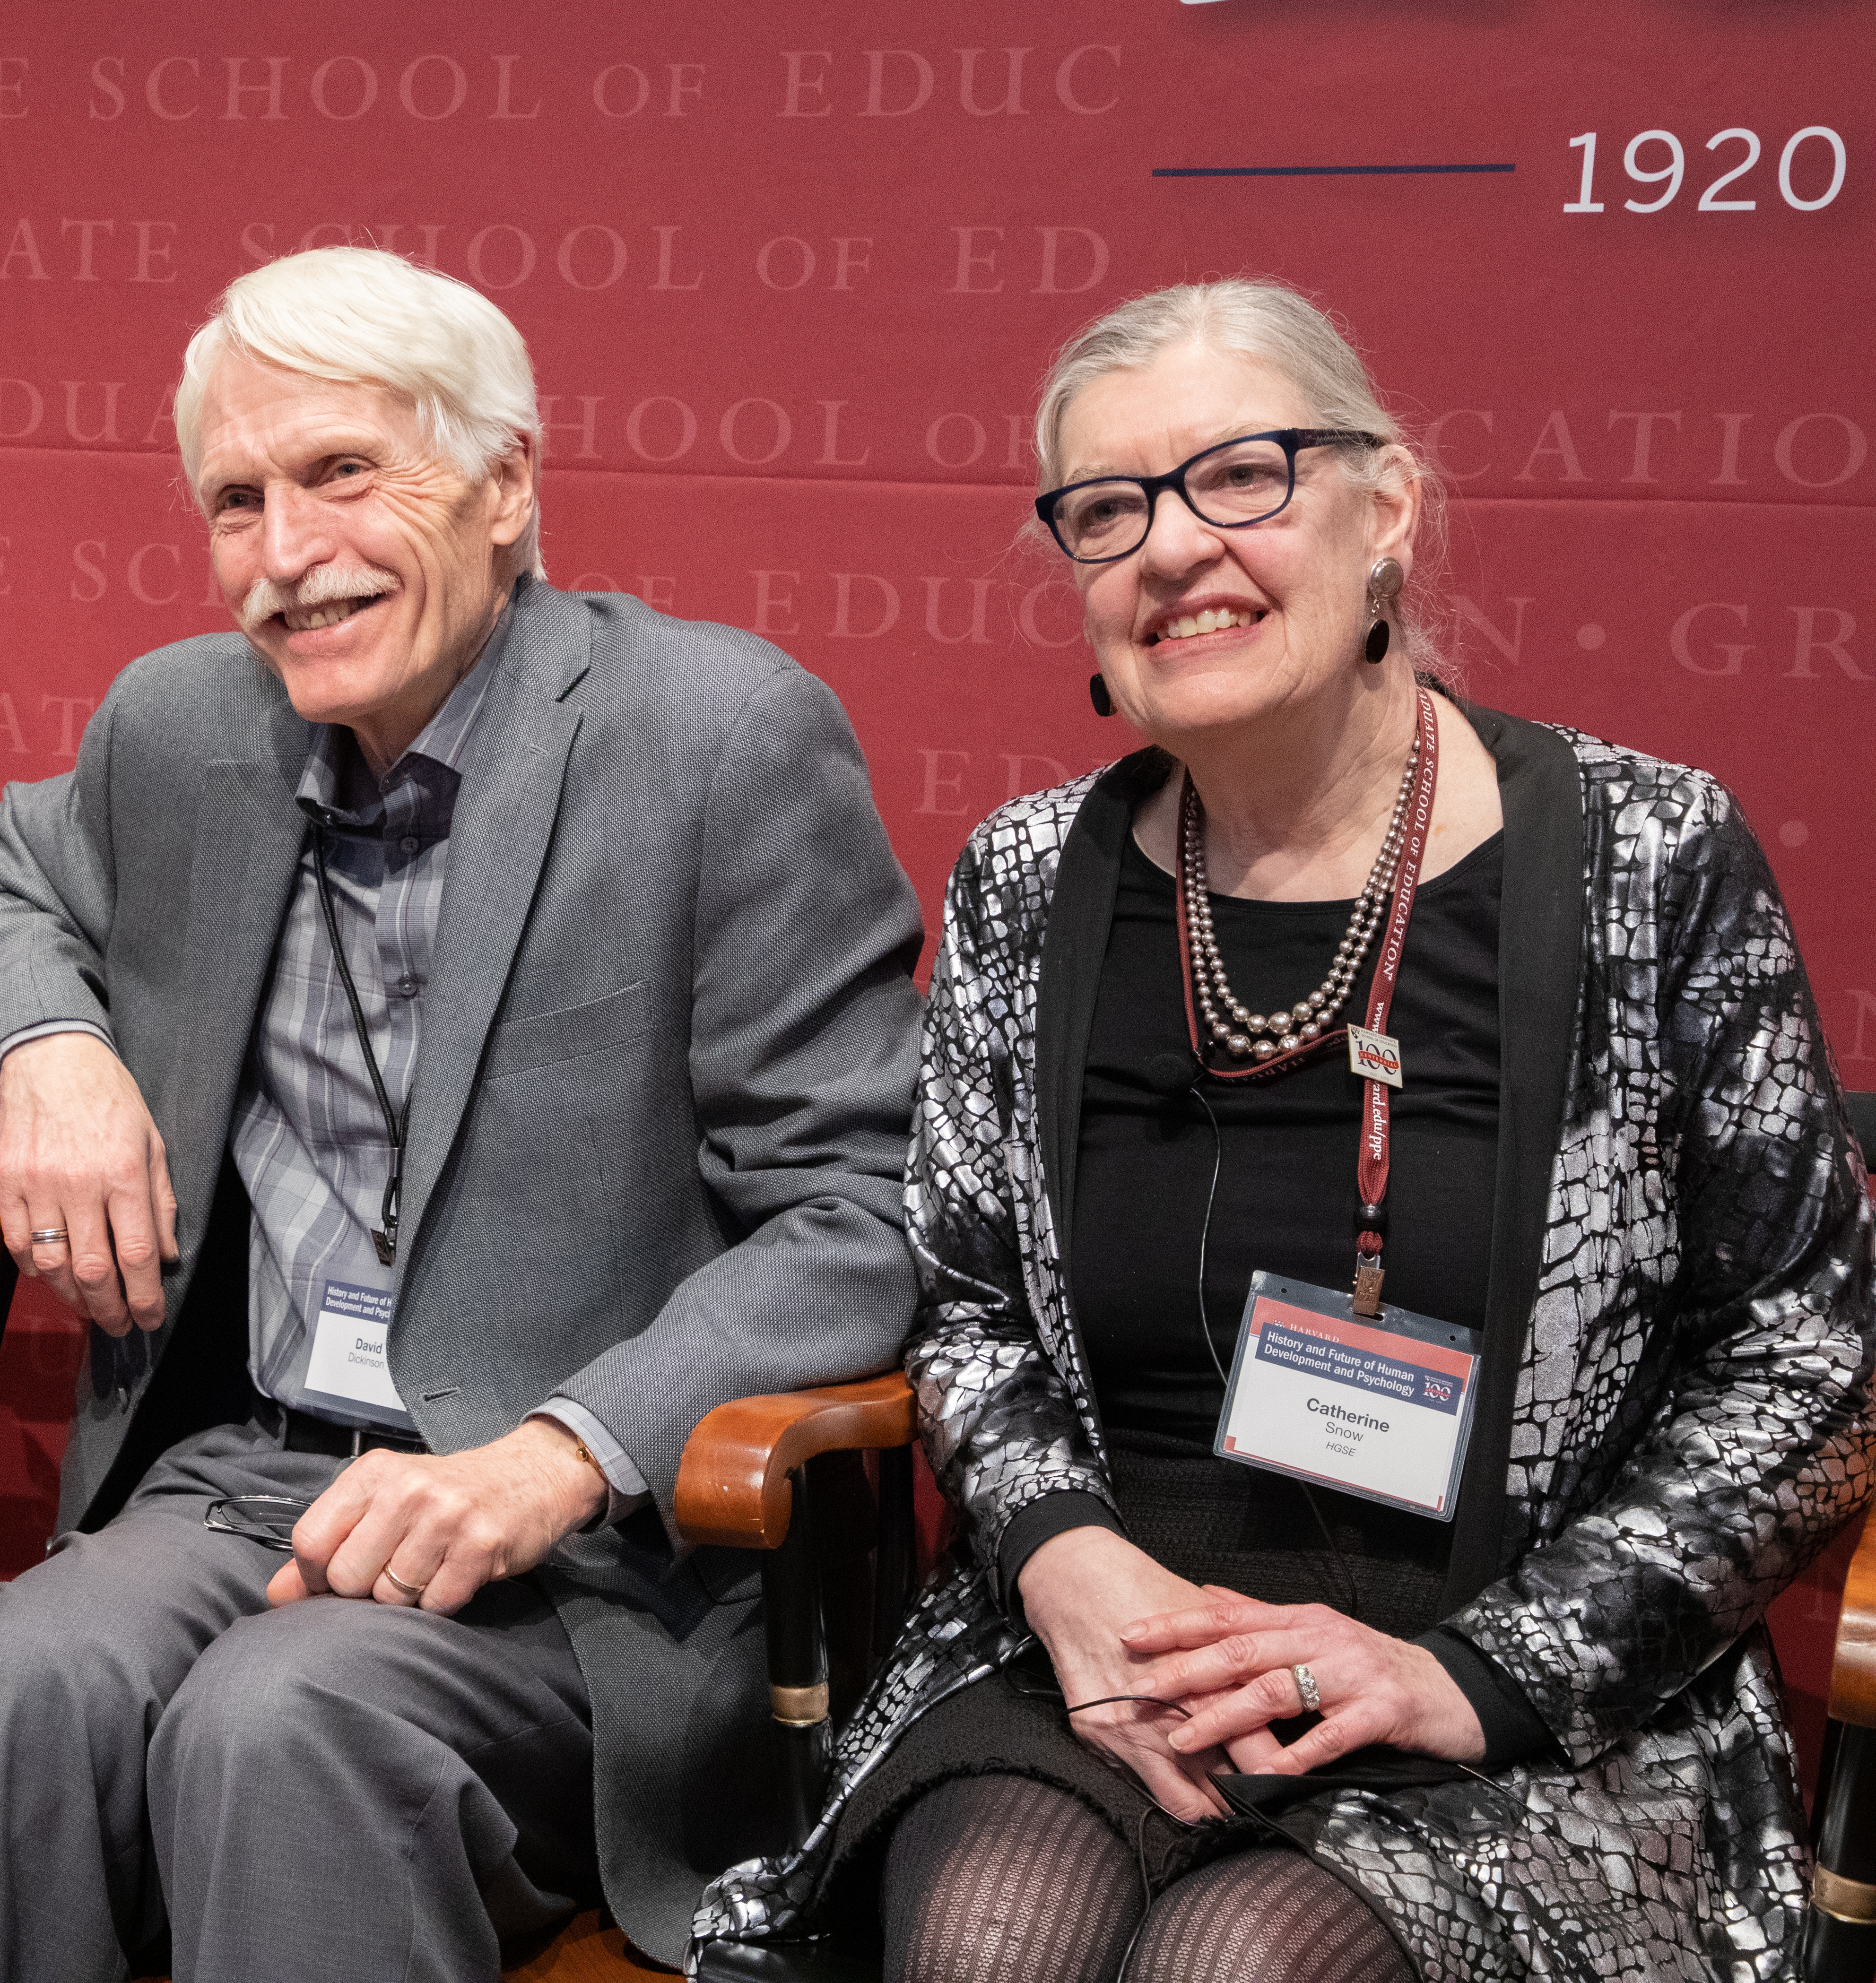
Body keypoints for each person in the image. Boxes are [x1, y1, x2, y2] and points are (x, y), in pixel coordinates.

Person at [693, 280, 1875, 1983]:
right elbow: (962, 1304)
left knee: (1238, 1968)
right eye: (1109, 511)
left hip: (1520, 1695)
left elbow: (1809, 1364)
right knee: (985, 1951)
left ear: (1385, 509)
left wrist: (1479, 1674)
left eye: (1242, 476)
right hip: (1103, 1648)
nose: (1175, 550)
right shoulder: (1030, 885)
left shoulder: (1651, 858)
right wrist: (1061, 1557)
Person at [0, 244, 927, 1981]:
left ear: (505, 485)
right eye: (237, 500)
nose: (286, 557)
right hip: (253, 1475)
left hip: (585, 1559)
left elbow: (863, 1205)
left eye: (345, 473)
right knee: (0, 1699)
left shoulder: (717, 736)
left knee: (281, 1729)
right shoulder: (185, 723)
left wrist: (559, 1454)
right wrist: (54, 1052)